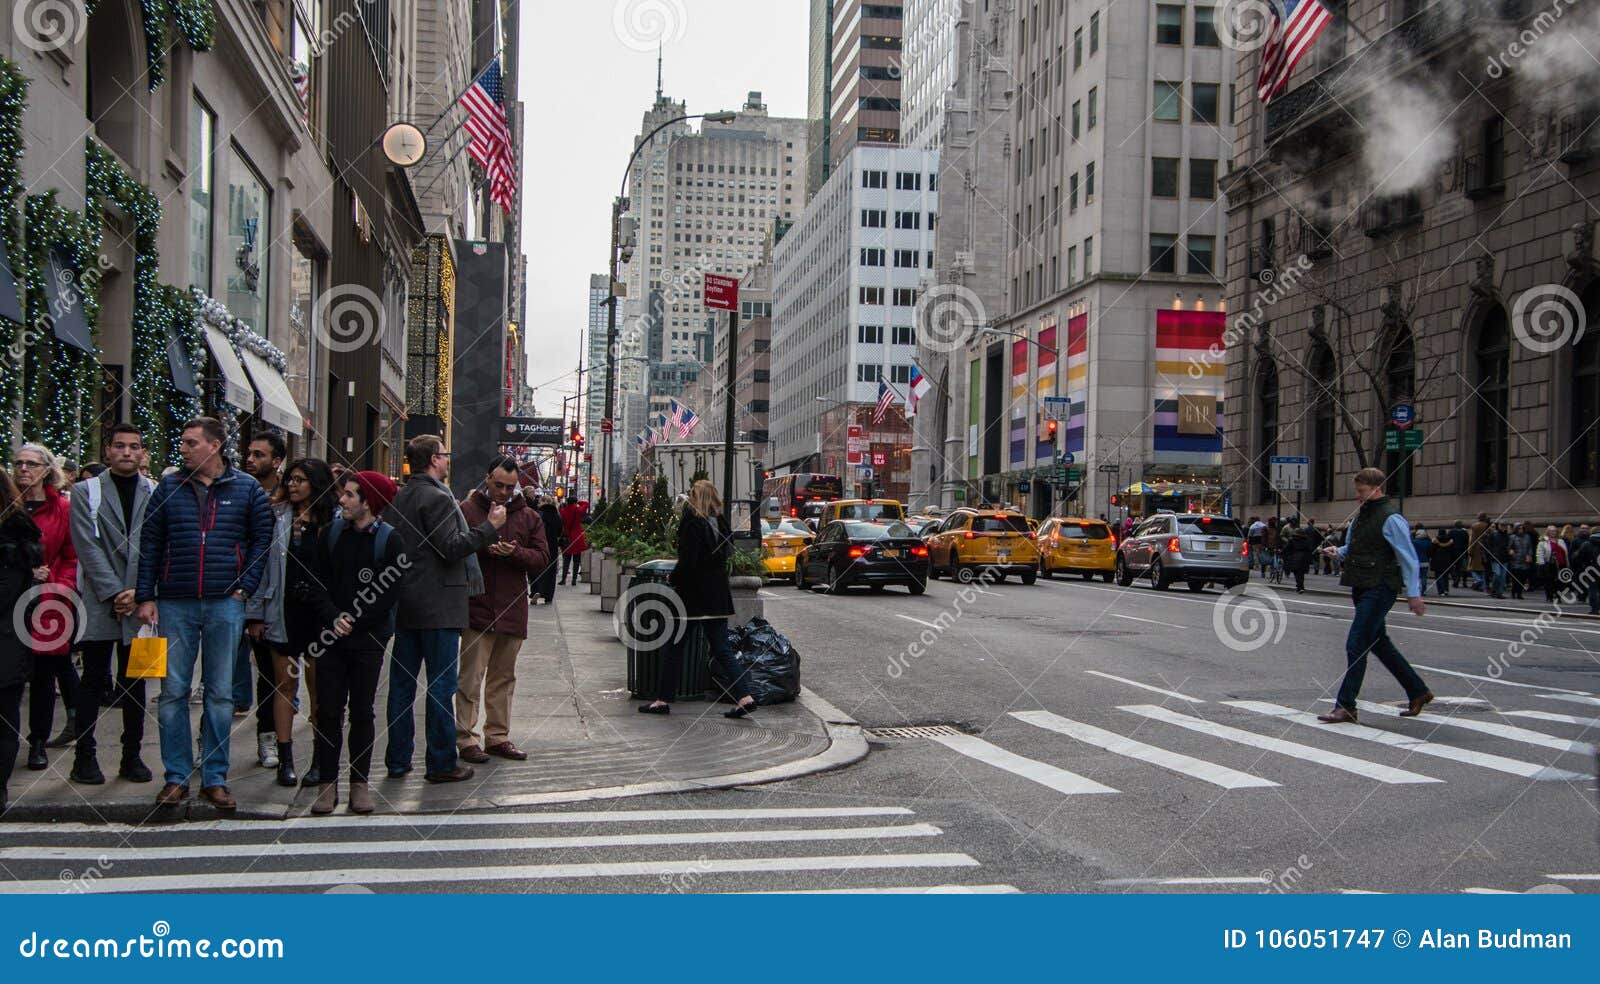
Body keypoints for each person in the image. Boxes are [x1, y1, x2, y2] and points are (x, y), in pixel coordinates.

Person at [136, 418, 274, 811]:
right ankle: (176, 776)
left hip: (223, 602)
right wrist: (147, 594)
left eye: (190, 442)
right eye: (183, 442)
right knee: (172, 692)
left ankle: (214, 777)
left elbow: (262, 542)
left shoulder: (245, 489)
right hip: (175, 600)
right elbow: (151, 541)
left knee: (220, 694)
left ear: (214, 446)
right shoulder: (168, 487)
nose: (183, 448)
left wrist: (243, 588)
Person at [384, 435, 505, 783]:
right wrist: (489, 529)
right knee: (440, 686)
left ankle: (397, 759)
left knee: (402, 687)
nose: (448, 461)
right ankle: (440, 762)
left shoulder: (403, 495)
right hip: (437, 606)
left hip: (408, 604)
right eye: (445, 455)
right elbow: (451, 548)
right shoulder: (436, 497)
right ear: (434, 459)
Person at [307, 471, 406, 815]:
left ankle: (359, 784)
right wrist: (334, 616)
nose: (342, 500)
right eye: (344, 493)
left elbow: (388, 593)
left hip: (367, 641)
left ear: (370, 502)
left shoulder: (390, 541)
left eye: (350, 495)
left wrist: (356, 621)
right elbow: (316, 582)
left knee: (363, 712)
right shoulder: (331, 534)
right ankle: (327, 784)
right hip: (331, 638)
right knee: (328, 712)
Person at [67, 424, 155, 785]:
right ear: (107, 452)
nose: (127, 453)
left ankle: (131, 756)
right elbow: (87, 547)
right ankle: (83, 757)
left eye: (134, 446)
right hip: (100, 603)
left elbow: (158, 544)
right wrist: (116, 592)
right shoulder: (84, 491)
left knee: (138, 683)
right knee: (93, 680)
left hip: (146, 607)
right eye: (119, 446)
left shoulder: (157, 491)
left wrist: (139, 591)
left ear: (143, 453)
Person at [1317, 468, 1432, 725]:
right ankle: (1418, 691)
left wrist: (1415, 594)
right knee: (1379, 642)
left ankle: (1346, 705)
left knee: (1356, 644)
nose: (1358, 496)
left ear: (1377, 489)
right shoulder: (1364, 515)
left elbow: (1408, 557)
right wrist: (1341, 551)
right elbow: (1362, 545)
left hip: (1381, 586)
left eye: (1362, 491)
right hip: (1363, 584)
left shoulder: (1391, 518)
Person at [455, 457, 549, 764]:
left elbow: (542, 559)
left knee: (503, 678)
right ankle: (467, 738)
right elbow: (454, 549)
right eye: (498, 485)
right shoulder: (468, 510)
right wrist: (485, 540)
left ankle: (497, 736)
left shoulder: (529, 516)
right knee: (470, 678)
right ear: (487, 479)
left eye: (510, 487)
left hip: (511, 608)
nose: (504, 492)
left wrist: (514, 553)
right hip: (477, 607)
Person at [638, 481, 758, 718]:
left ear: (695, 497)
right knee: (722, 649)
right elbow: (725, 555)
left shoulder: (692, 523)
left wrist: (674, 578)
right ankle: (745, 696)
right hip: (717, 596)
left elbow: (688, 561)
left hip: (693, 598)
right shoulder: (722, 524)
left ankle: (662, 700)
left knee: (674, 647)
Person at [13, 444, 79, 769]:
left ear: (45, 470)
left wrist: (59, 585)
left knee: (44, 676)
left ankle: (38, 741)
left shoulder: (63, 509)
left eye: (31, 464)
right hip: (9, 601)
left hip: (48, 603)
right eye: (19, 463)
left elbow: (72, 555)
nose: (23, 469)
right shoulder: (7, 506)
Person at [273, 458, 337, 787]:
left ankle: (318, 760)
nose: (293, 485)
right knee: (284, 685)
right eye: (289, 479)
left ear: (316, 482)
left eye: (300, 479)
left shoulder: (333, 521)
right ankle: (285, 759)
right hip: (284, 610)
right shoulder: (278, 516)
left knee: (318, 690)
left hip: (319, 614)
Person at [239, 433, 286, 760]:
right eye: (249, 453)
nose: (250, 459)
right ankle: (207, 743)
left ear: (276, 461)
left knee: (270, 677)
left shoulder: (286, 499)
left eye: (259, 454)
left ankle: (267, 735)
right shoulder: (240, 491)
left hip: (269, 601)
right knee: (224, 675)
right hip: (234, 594)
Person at [0, 468, 44, 813]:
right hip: (12, 636)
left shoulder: (15, 534)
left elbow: (9, 589)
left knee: (5, 714)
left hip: (8, 637)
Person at [532, 495, 563, 604]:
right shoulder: (556, 515)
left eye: (539, 502)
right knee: (551, 570)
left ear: (544, 502)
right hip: (552, 545)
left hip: (539, 544)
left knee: (537, 568)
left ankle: (537, 590)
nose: (537, 504)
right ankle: (548, 595)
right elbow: (560, 531)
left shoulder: (538, 514)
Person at [1281, 518, 1317, 594]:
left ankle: (1299, 587)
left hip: (1295, 558)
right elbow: (1309, 549)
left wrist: (1282, 553)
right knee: (1301, 573)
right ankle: (1300, 586)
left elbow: (1287, 549)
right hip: (1304, 559)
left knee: (1297, 573)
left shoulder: (1292, 540)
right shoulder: (1306, 541)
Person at [558, 497, 588, 585]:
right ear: (575, 502)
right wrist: (579, 502)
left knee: (566, 559)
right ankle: (574, 580)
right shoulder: (578, 510)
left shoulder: (563, 511)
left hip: (567, 536)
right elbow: (586, 504)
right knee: (576, 559)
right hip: (577, 535)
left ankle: (563, 579)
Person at [1572, 526, 1600, 615]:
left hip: (1590, 569)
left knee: (1592, 589)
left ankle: (1595, 609)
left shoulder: (1587, 544)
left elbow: (1577, 557)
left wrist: (1583, 564)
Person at [1537, 524, 1568, 603]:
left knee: (1560, 582)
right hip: (1549, 564)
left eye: (1554, 531)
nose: (1553, 532)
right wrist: (1541, 563)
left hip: (1561, 564)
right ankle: (1549, 596)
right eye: (1551, 531)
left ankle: (1558, 596)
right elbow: (1540, 553)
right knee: (1549, 581)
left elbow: (1565, 553)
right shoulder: (1543, 542)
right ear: (1547, 532)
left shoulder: (1561, 541)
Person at [1485, 521, 1511, 599]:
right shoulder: (1493, 534)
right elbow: (1488, 546)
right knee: (1497, 575)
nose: (1503, 527)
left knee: (1502, 576)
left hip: (1504, 558)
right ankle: (1494, 590)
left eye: (1504, 526)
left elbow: (1508, 546)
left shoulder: (1507, 536)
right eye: (1502, 525)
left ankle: (1499, 592)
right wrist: (1491, 555)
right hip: (1495, 558)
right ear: (1498, 526)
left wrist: (1509, 552)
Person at [1468, 512, 1491, 591]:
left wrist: (1470, 549)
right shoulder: (1488, 526)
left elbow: (1472, 539)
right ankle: (1483, 586)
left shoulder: (1474, 526)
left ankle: (1478, 580)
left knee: (1473, 568)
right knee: (1483, 569)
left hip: (1476, 549)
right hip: (1486, 548)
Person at [1431, 527, 1455, 597]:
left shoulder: (1435, 541)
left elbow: (1431, 551)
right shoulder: (1450, 541)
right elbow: (1453, 552)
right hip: (1447, 560)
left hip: (1437, 561)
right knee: (1445, 576)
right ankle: (1446, 590)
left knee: (1438, 577)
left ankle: (1441, 591)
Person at [1411, 524, 1433, 598]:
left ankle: (1416, 591)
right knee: (1424, 577)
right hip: (1425, 560)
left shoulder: (1415, 542)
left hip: (1416, 561)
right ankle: (1424, 590)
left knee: (1416, 577)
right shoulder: (1428, 542)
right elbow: (1430, 551)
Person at [1449, 520, 1471, 589]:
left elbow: (1448, 540)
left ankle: (1455, 579)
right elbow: (1467, 542)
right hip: (1462, 552)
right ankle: (1461, 581)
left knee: (1452, 566)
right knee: (1461, 567)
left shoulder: (1451, 532)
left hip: (1453, 552)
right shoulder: (1465, 533)